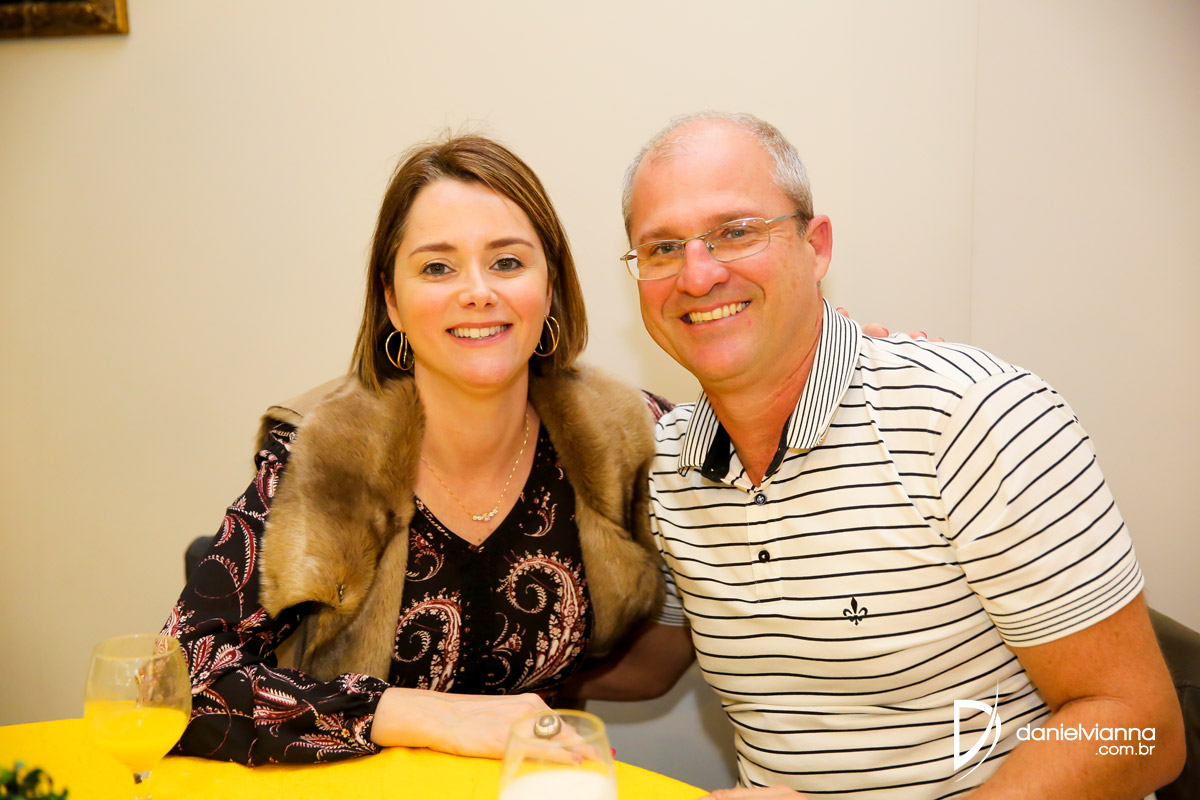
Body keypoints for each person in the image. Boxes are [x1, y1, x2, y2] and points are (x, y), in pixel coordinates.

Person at [576, 112, 1185, 799]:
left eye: (736, 232)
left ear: (816, 247)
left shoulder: (972, 417)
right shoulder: (666, 467)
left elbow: (1140, 728)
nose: (697, 274)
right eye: (661, 248)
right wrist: (480, 696)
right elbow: (652, 663)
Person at [162, 134, 668, 764]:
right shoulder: (324, 456)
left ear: (551, 288)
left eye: (508, 262)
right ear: (392, 302)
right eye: (437, 268)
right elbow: (178, 681)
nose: (477, 291)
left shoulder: (623, 433)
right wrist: (424, 715)